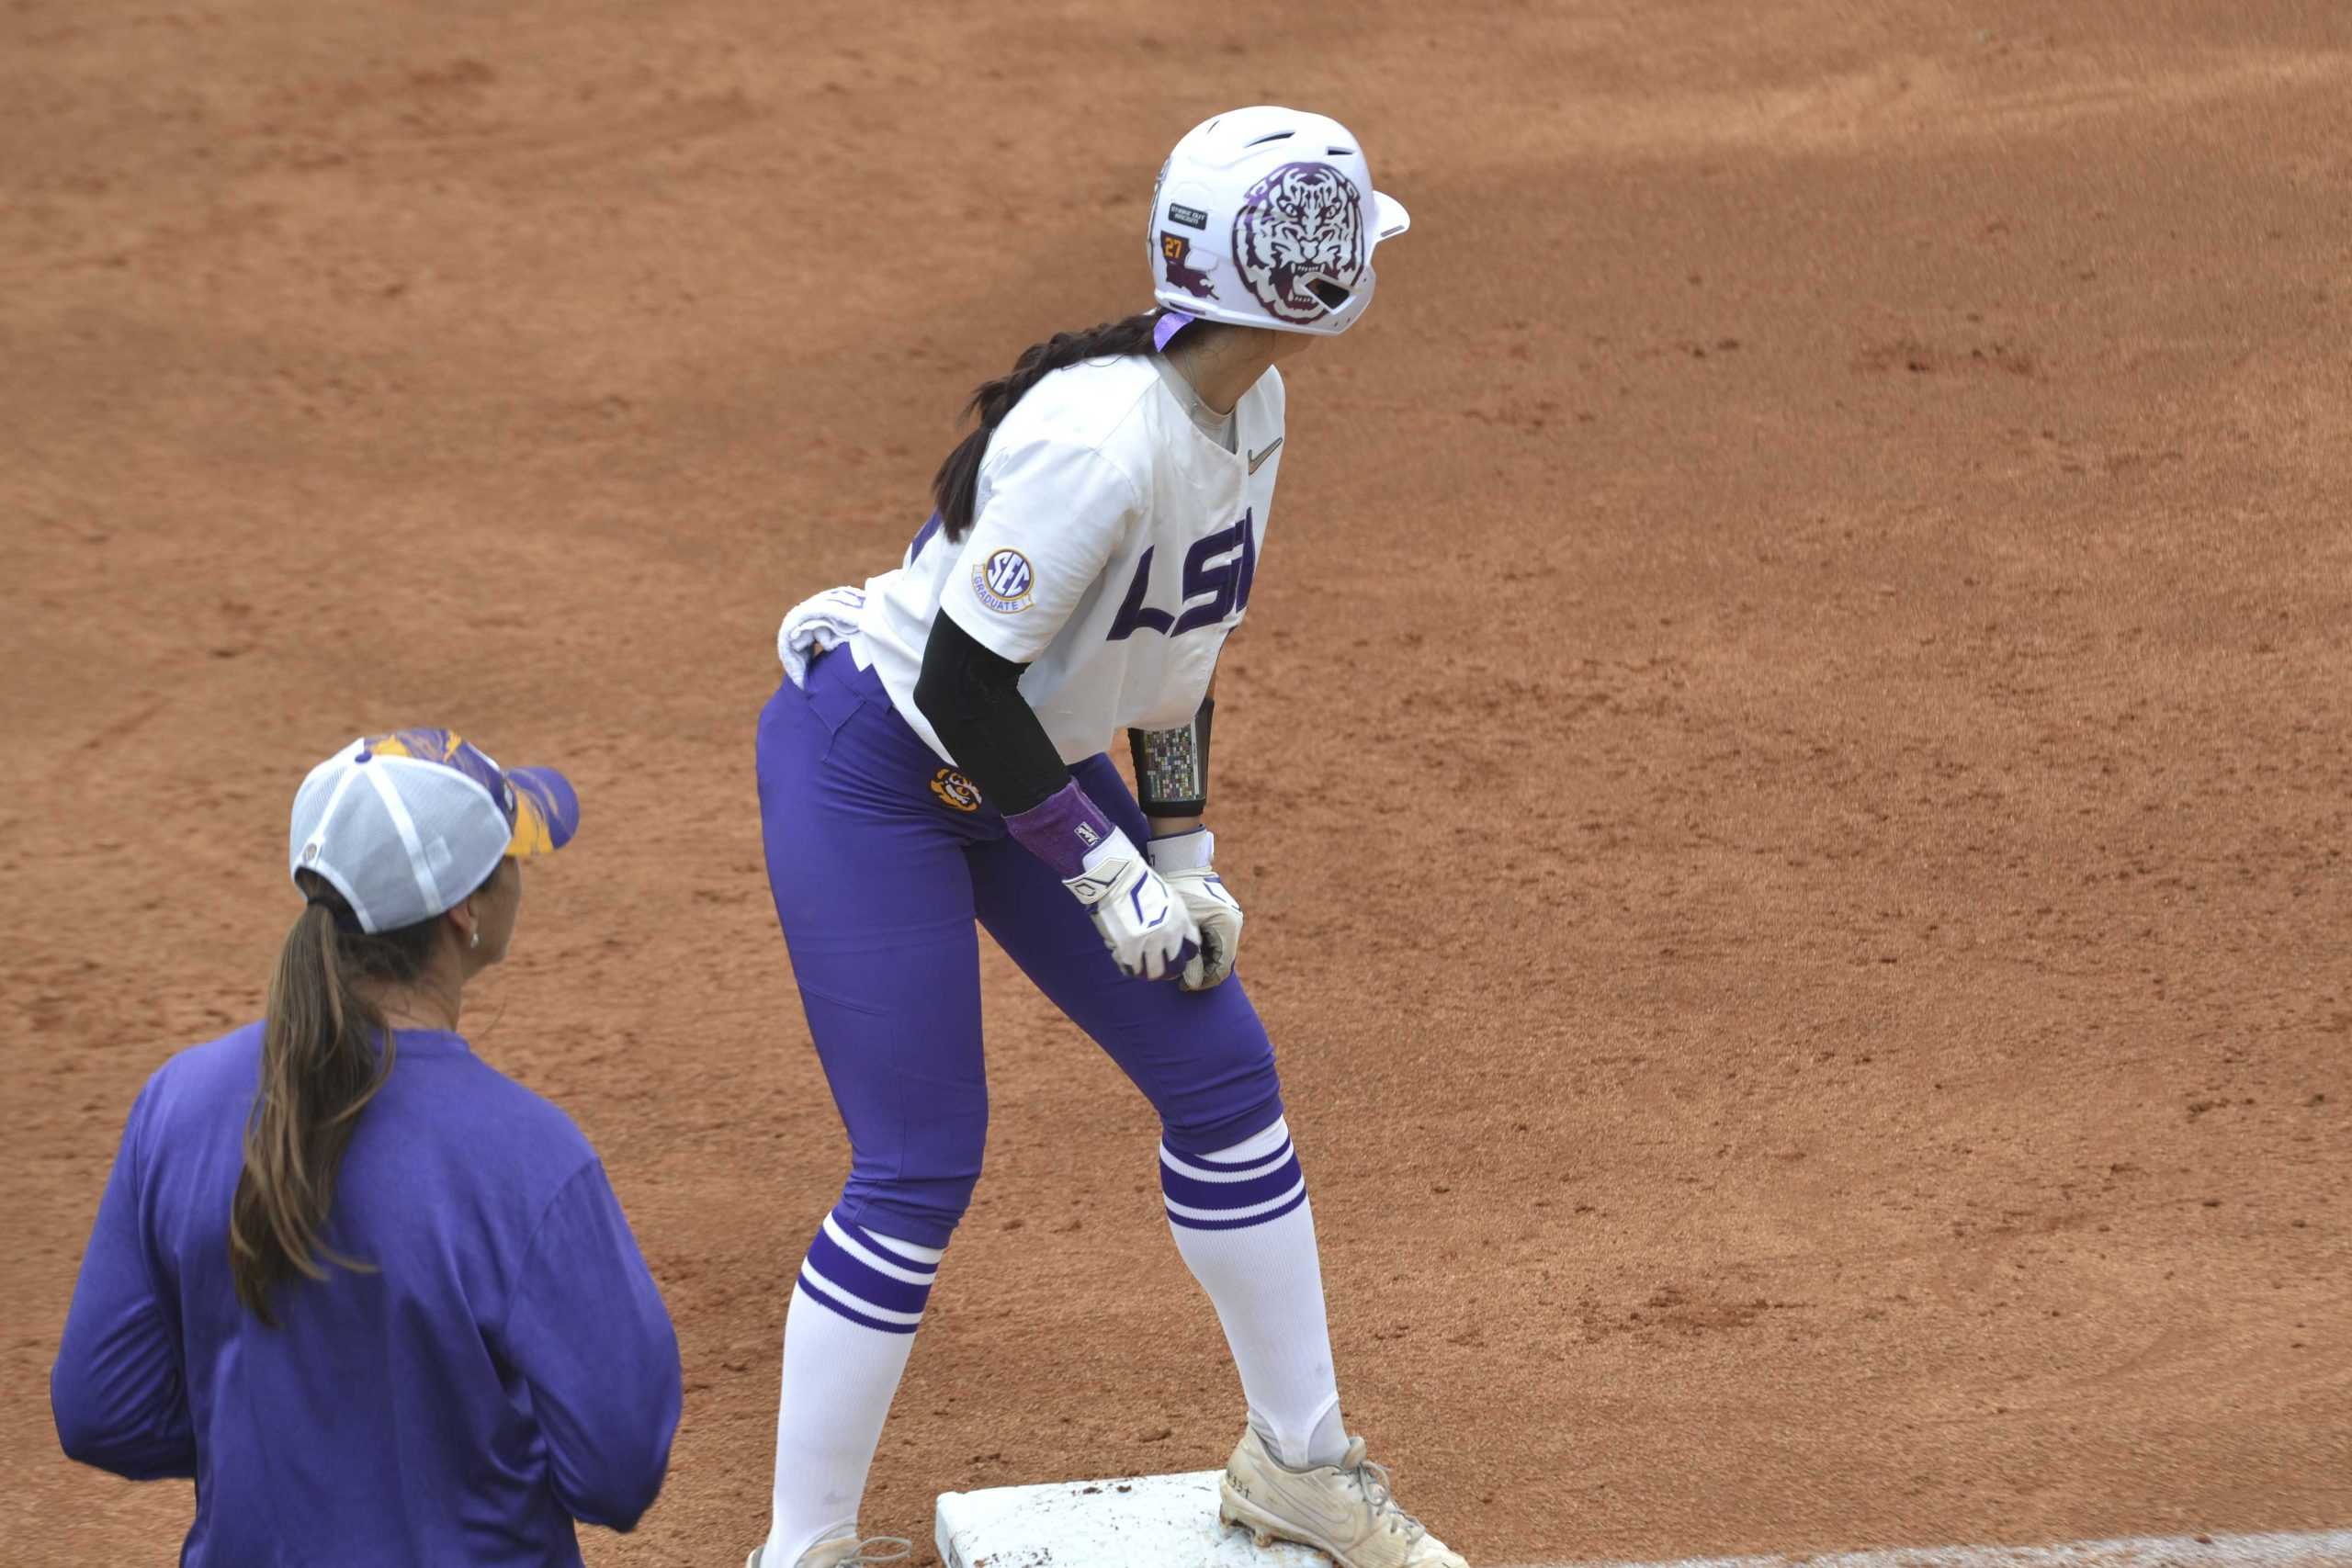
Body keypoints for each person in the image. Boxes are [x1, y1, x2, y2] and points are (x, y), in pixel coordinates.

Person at [752, 107, 1461, 1568]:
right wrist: (1102, 864)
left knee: (1224, 1076)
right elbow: (955, 681)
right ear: (1308, 278)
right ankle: (801, 1548)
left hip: (1030, 775)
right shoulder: (1102, 438)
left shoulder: (1247, 405)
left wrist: (1181, 856)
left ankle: (1301, 1462)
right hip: (880, 777)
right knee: (919, 1161)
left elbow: (1177, 654)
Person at [51, 729, 681, 1566]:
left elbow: (105, 1409)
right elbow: (618, 1467)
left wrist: (288, 1441)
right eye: (511, 855)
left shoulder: (178, 1102)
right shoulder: (528, 1159)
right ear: (466, 910)